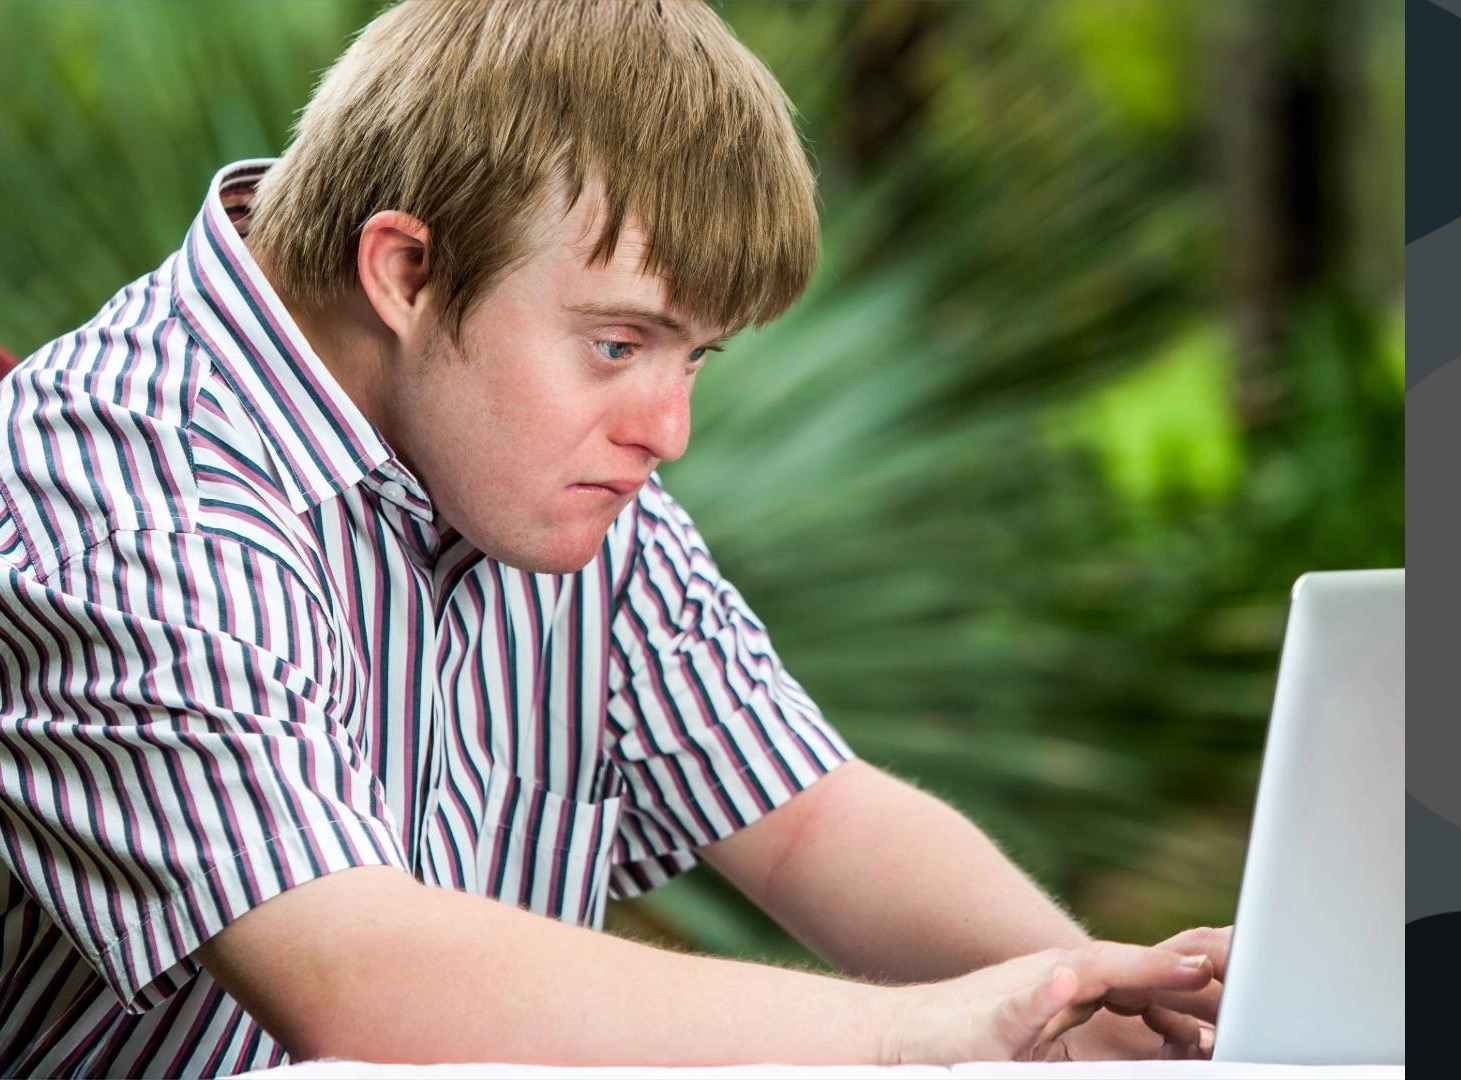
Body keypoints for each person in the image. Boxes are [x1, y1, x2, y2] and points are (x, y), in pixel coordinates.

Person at [0, 2, 1232, 1074]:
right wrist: (913, 1036)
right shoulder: (123, 488)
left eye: (694, 355)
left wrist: (1092, 1005)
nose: (670, 430)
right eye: (618, 345)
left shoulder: (532, 467)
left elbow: (807, 818)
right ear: (406, 272)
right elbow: (352, 970)